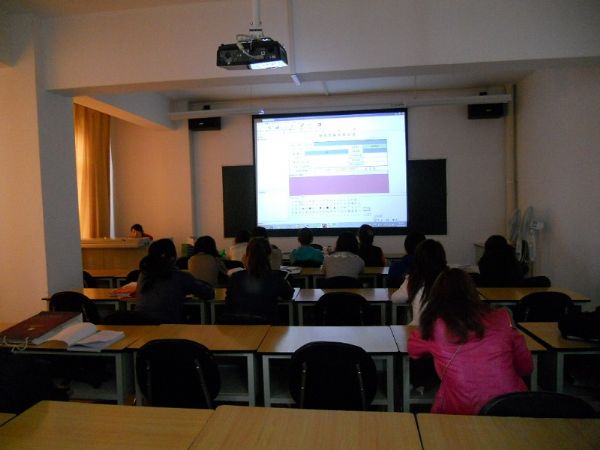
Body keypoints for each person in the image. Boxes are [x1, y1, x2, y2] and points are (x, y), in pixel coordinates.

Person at [408, 268, 533, 415]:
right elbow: (526, 367)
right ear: (473, 293)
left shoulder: (435, 328)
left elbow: (413, 350)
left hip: (462, 410)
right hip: (513, 406)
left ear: (436, 297)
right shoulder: (503, 318)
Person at [137, 239, 214, 323]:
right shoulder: (179, 276)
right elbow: (208, 293)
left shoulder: (143, 275)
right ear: (173, 259)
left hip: (140, 325)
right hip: (168, 326)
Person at [225, 238, 294, 323]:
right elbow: (289, 294)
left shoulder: (235, 277)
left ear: (246, 256)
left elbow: (228, 301)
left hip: (238, 326)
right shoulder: (274, 278)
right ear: (269, 256)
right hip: (268, 325)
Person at [391, 239, 447, 325]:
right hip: (449, 330)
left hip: (421, 329)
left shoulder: (414, 279)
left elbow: (395, 299)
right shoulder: (451, 279)